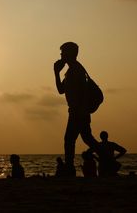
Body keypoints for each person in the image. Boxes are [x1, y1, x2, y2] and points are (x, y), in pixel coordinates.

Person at [54, 42, 98, 176]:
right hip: (79, 111)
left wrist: (81, 111)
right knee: (87, 138)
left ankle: (69, 168)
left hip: (78, 111)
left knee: (69, 140)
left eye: (62, 53)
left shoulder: (76, 70)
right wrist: (56, 73)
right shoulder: (72, 70)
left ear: (70, 54)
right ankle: (107, 159)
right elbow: (61, 90)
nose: (61, 55)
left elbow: (82, 93)